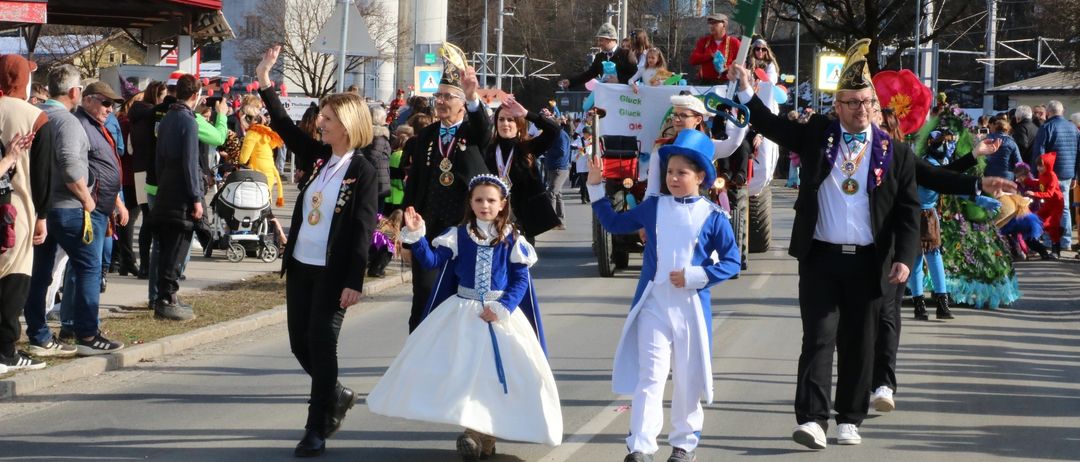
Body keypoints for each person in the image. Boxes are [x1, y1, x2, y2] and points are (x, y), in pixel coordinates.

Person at [730, 38, 920, 449]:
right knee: (817, 338)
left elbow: (908, 213)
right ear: (837, 106)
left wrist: (905, 258)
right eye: (850, 102)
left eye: (866, 101)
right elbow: (772, 126)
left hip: (869, 262)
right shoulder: (819, 134)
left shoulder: (894, 153)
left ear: (875, 105)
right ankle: (813, 419)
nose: (859, 109)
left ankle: (849, 418)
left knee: (858, 342)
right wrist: (747, 89)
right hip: (821, 257)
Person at [368, 175, 562, 458]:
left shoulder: (512, 239)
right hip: (464, 313)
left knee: (498, 376)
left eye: (491, 200)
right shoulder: (457, 235)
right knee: (467, 373)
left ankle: (487, 435)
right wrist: (417, 237)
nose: (485, 205)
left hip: (499, 316)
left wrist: (503, 306)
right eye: (479, 200)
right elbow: (432, 262)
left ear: (502, 204)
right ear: (470, 203)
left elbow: (521, 279)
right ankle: (473, 432)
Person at [588, 128, 740, 462]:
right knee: (651, 375)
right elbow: (614, 223)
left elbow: (732, 262)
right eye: (670, 171)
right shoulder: (654, 207)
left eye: (682, 172)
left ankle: (684, 444)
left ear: (700, 176)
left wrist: (696, 276)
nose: (673, 177)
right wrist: (596, 185)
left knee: (688, 379)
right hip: (654, 304)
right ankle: (641, 445)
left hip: (690, 308)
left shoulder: (714, 217)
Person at [257, 45, 379, 457]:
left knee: (322, 344)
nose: (320, 125)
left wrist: (354, 280)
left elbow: (363, 227)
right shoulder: (321, 159)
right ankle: (337, 391)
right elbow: (287, 129)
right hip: (302, 266)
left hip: (333, 272)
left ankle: (316, 426)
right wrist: (265, 82)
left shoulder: (362, 169)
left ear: (347, 124)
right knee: (299, 344)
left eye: (327, 119)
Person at [402, 44, 491, 333]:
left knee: (460, 296)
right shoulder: (426, 134)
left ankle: (457, 357)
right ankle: (417, 353)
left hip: (464, 228)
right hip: (429, 229)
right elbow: (415, 183)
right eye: (437, 95)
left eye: (447, 96)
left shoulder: (472, 131)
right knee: (424, 294)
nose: (440, 101)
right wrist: (407, 233)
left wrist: (472, 95)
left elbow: (484, 128)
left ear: (462, 102)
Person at [0, 54, 51, 371]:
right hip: (20, 206)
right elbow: (43, 173)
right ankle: (5, 350)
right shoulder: (36, 116)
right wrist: (43, 215)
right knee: (15, 279)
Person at [151, 75, 204, 320]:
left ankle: (163, 295)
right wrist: (196, 198)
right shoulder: (188, 122)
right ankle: (168, 298)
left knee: (165, 248)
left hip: (165, 190)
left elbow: (159, 159)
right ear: (195, 96)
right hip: (182, 194)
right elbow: (191, 163)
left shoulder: (168, 117)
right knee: (178, 248)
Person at [485, 96, 560, 241]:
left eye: (510, 119)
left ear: (519, 124)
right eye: (501, 119)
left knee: (521, 261)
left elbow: (554, 131)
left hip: (522, 222)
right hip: (492, 219)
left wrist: (527, 114)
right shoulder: (488, 149)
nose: (505, 124)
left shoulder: (527, 148)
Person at [1032, 100, 1077, 257]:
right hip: (1067, 172)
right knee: (1063, 207)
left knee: (1048, 207)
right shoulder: (1073, 127)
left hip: (1050, 174)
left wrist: (1036, 172)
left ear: (1049, 112)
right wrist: (1075, 175)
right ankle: (1066, 241)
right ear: (1062, 111)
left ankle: (1051, 240)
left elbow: (1040, 152)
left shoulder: (1047, 127)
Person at [559, 23, 637, 89]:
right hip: (606, 99)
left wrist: (619, 79)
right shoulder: (599, 57)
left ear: (610, 39)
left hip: (623, 100)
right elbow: (588, 74)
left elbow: (636, 76)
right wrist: (570, 82)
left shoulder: (626, 54)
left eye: (601, 40)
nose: (599, 44)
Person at [238, 114, 286, 207]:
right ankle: (268, 217)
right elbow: (272, 145)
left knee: (257, 198)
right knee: (267, 195)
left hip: (258, 168)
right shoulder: (266, 132)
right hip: (270, 167)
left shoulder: (252, 133)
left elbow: (243, 158)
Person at [1024, 152, 1065, 251]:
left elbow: (1049, 194)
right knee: (1038, 219)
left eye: (1041, 166)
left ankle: (1056, 251)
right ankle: (1059, 231)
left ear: (1048, 165)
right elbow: (1040, 182)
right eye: (1038, 166)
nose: (1039, 168)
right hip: (1048, 204)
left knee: (1052, 225)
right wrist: (1027, 181)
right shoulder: (1042, 174)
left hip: (1056, 204)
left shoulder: (1052, 176)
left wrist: (1034, 194)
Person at [689, 14, 742, 86]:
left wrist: (727, 68)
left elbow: (741, 64)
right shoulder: (703, 41)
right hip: (706, 83)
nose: (711, 26)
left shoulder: (734, 42)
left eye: (715, 23)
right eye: (710, 23)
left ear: (724, 24)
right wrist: (710, 56)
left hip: (726, 83)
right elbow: (693, 60)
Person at [542, 116, 571, 229]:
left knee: (552, 193)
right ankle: (560, 221)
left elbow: (562, 151)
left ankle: (552, 221)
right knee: (557, 194)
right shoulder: (557, 135)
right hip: (554, 167)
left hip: (559, 168)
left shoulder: (561, 135)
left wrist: (547, 149)